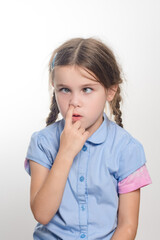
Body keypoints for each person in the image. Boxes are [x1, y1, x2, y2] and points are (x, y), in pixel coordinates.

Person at [24, 37, 152, 240]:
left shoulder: (127, 149)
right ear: (54, 87)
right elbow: (42, 213)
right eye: (64, 89)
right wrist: (65, 152)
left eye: (87, 89)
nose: (75, 101)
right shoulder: (43, 143)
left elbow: (127, 226)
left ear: (110, 90)